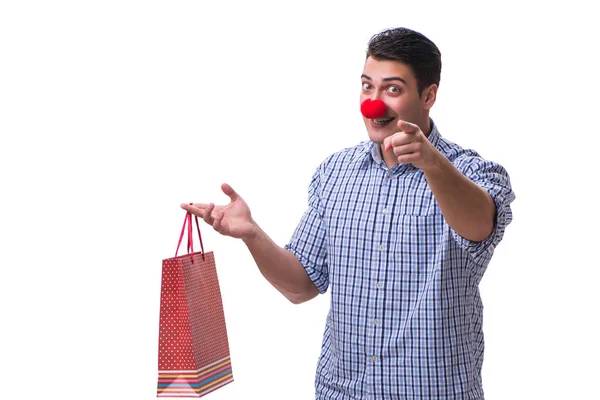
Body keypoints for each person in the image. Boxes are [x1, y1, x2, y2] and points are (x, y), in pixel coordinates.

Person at [182, 27, 515, 400]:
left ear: (428, 96)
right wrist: (251, 234)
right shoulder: (334, 172)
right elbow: (302, 285)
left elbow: (479, 226)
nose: (373, 103)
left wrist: (431, 164)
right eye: (366, 86)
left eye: (392, 89)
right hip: (341, 392)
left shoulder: (471, 172)